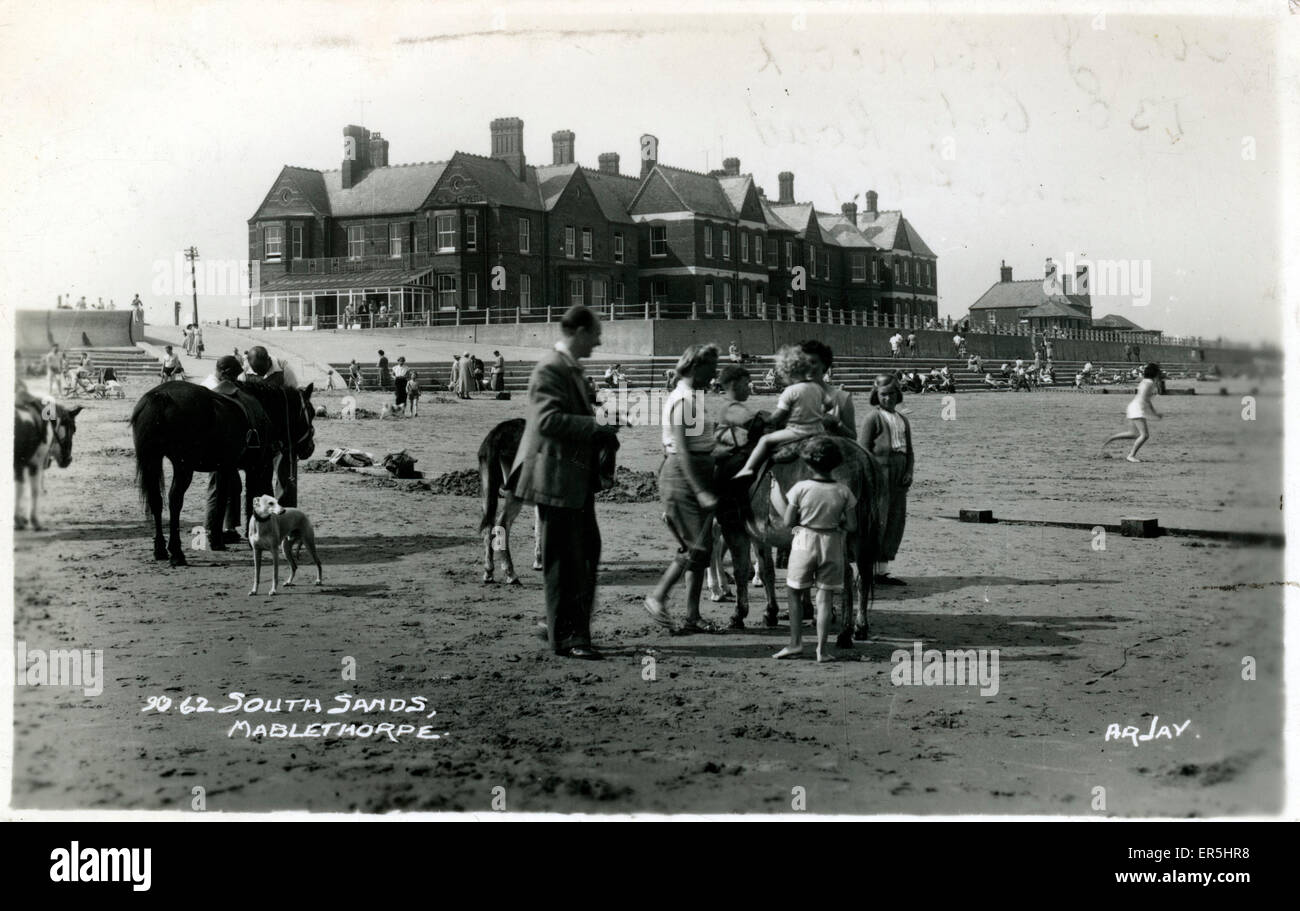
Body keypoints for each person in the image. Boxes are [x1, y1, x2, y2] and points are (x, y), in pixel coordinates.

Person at [507, 305, 618, 660]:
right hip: (554, 479)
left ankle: (562, 626)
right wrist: (598, 425)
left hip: (572, 479)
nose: (598, 341)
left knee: (585, 554)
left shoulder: (569, 369)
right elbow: (547, 422)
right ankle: (568, 638)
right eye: (596, 334)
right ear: (580, 332)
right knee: (564, 560)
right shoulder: (550, 369)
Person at [645, 344, 722, 633]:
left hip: (696, 472)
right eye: (711, 368)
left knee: (702, 549)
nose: (715, 374)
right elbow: (683, 450)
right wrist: (700, 490)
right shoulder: (683, 400)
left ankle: (692, 615)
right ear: (695, 367)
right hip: (683, 476)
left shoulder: (694, 397)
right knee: (696, 546)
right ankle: (658, 597)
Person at [774, 437, 858, 662]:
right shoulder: (843, 491)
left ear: (808, 464)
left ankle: (795, 643)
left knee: (794, 592)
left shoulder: (800, 488)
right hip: (831, 542)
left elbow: (789, 521)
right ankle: (822, 650)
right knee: (825, 598)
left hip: (804, 540)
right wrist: (837, 523)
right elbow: (852, 525)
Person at [732, 345, 842, 480]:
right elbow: (830, 404)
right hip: (818, 430)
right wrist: (818, 414)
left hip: (797, 431)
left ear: (789, 373)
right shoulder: (816, 387)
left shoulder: (790, 391)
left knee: (764, 440)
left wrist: (768, 420)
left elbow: (779, 415)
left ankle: (748, 468)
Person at [858, 374, 913, 586]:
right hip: (878, 473)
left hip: (899, 474)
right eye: (883, 394)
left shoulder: (902, 419)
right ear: (876, 395)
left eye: (891, 394)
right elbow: (862, 450)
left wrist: (909, 471)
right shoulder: (872, 418)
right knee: (876, 520)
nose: (888, 398)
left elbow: (910, 451)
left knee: (895, 519)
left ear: (897, 395)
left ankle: (882, 570)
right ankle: (867, 570)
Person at [243, 346, 302, 506]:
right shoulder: (245, 372)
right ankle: (266, 518)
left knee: (286, 479)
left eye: (262, 370)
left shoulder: (283, 368)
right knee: (260, 480)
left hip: (282, 432)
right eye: (257, 371)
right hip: (259, 434)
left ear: (268, 360)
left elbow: (295, 399)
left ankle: (286, 516)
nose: (260, 374)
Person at [202, 356, 248, 550]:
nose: (237, 380)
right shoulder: (213, 386)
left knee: (233, 486)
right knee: (216, 488)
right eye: (235, 376)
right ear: (225, 373)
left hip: (223, 445)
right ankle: (212, 530)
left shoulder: (215, 382)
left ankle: (229, 528)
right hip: (216, 446)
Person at [1102, 363, 1162, 462]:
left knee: (1133, 434)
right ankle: (1131, 455)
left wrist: (1153, 412)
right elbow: (1145, 398)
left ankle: (1112, 438)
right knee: (1144, 435)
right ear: (1155, 373)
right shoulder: (1150, 383)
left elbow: (1146, 398)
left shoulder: (1145, 381)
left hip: (1133, 406)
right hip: (1137, 408)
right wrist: (1151, 412)